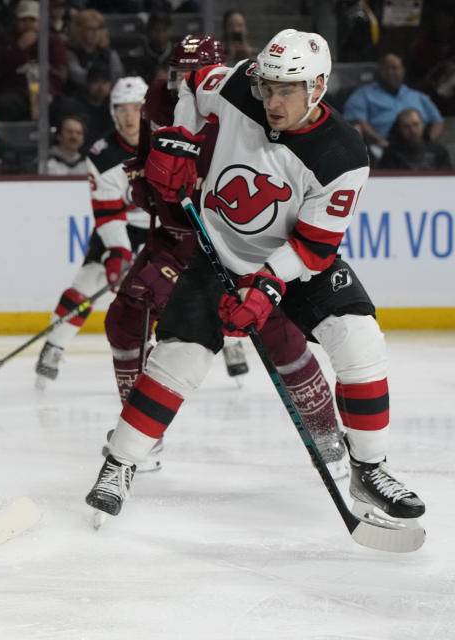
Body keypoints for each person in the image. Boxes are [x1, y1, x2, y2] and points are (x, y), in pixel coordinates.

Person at [85, 30, 425, 530]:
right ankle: (120, 462)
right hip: (215, 251)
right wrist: (180, 139)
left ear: (319, 86)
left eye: (287, 90)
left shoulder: (343, 156)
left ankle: (369, 469)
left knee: (360, 340)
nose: (272, 100)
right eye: (267, 87)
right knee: (179, 358)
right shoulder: (242, 83)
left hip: (296, 264)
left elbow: (313, 247)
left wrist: (266, 284)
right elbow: (193, 84)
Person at [103, 34, 347, 476]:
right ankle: (144, 438)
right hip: (175, 239)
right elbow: (146, 157)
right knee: (125, 317)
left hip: (234, 238)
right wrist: (149, 178)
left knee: (279, 334)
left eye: (189, 77)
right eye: (175, 74)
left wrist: (196, 183)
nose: (181, 85)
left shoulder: (241, 106)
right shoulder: (160, 97)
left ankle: (328, 434)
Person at [34, 76, 150, 390]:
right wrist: (118, 253)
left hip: (161, 224)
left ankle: (228, 344)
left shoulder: (166, 141)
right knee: (87, 282)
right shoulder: (102, 155)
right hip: (121, 226)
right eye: (122, 109)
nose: (129, 116)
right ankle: (54, 345)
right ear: (113, 112)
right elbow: (109, 213)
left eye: (136, 108)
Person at [342, 53, 444, 160]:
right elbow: (357, 121)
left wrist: (429, 142)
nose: (390, 72)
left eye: (395, 68)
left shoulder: (419, 97)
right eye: (386, 69)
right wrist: (380, 141)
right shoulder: (362, 95)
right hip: (381, 150)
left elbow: (438, 121)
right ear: (378, 72)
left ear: (403, 71)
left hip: (420, 150)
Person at [0, 0, 69, 121]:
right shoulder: (3, 40)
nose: (28, 25)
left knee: (67, 107)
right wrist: (18, 48)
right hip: (15, 91)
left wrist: (50, 92)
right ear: (16, 21)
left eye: (32, 20)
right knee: (4, 104)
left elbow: (61, 71)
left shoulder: (53, 41)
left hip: (47, 91)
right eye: (23, 20)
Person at [64, 9, 123, 100]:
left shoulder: (109, 53)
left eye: (98, 29)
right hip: (78, 98)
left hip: (108, 99)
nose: (95, 33)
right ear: (79, 30)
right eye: (90, 29)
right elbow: (77, 77)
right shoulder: (70, 53)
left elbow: (117, 76)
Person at [379, 108, 452, 170]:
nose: (412, 131)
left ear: (423, 125)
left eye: (416, 124)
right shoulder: (391, 154)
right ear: (399, 129)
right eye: (406, 127)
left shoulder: (439, 151)